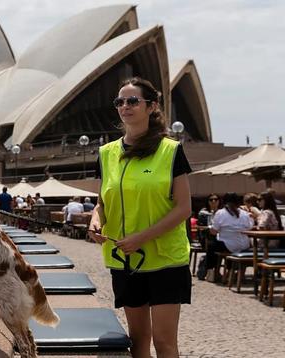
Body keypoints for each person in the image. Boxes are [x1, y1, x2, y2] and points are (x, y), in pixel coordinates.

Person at [88, 77, 192, 358]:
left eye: (133, 101)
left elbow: (184, 208)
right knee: (138, 339)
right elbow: (102, 201)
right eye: (119, 102)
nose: (125, 106)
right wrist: (95, 219)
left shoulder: (170, 151)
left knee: (164, 341)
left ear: (151, 106)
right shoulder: (107, 153)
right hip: (125, 260)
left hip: (165, 260)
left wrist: (141, 238)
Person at [206, 192, 253, 281]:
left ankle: (211, 272)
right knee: (221, 244)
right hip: (244, 245)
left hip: (228, 245)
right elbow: (249, 227)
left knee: (211, 245)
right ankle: (231, 271)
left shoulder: (220, 213)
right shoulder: (244, 213)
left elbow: (213, 231)